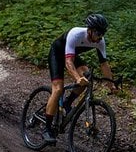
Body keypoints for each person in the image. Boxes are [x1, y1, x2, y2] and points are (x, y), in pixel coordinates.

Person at [43, 13, 115, 142]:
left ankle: (67, 103)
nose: (100, 37)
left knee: (87, 77)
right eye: (98, 33)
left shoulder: (100, 41)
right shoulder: (76, 34)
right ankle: (47, 129)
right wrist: (77, 78)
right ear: (90, 30)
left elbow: (104, 64)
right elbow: (68, 62)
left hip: (72, 56)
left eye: (102, 34)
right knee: (58, 89)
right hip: (58, 54)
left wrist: (111, 84)